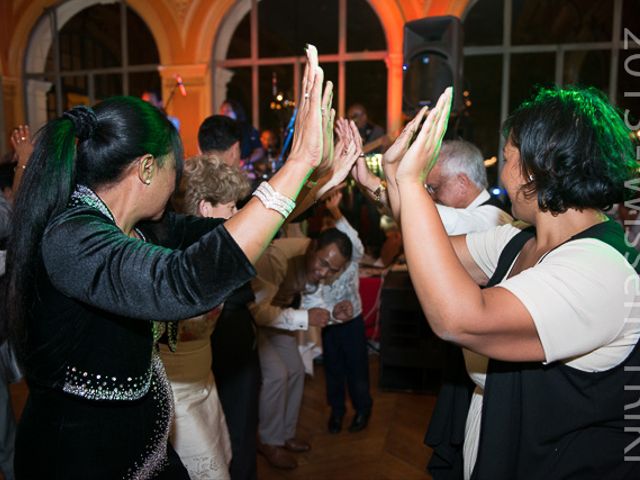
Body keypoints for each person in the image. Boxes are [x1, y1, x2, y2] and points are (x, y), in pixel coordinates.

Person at [5, 44, 329, 479]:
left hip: (141, 448)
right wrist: (297, 162)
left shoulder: (138, 225)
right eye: (174, 168)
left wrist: (310, 176)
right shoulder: (72, 236)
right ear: (145, 169)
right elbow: (180, 284)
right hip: (81, 459)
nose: (178, 181)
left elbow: (227, 234)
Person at [390, 86, 640, 479]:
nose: (501, 173)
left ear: (538, 168)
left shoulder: (599, 270)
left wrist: (411, 182)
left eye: (506, 158)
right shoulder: (521, 238)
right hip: (497, 438)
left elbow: (458, 319)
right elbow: (430, 248)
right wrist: (393, 177)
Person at [158, 154, 252, 480]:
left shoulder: (216, 255)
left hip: (205, 381)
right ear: (206, 209)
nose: (238, 214)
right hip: (176, 395)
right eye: (232, 206)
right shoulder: (174, 262)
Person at [251, 228, 354, 470]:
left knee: (296, 370)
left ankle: (285, 434)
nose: (323, 272)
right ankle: (268, 441)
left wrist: (334, 313)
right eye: (322, 263)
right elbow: (258, 311)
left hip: (283, 316)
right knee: (277, 374)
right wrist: (305, 317)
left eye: (332, 270)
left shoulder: (322, 264)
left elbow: (312, 300)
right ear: (314, 245)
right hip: (251, 320)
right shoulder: (277, 257)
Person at [301, 189, 373, 435]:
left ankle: (363, 409)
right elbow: (313, 303)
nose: (328, 270)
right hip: (330, 326)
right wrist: (333, 313)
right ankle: (337, 412)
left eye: (335, 267)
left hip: (354, 323)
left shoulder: (353, 256)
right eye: (325, 264)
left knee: (358, 370)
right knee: (333, 371)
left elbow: (352, 237)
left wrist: (335, 210)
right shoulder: (315, 267)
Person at [219, 100, 264, 166]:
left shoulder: (248, 129)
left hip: (244, 169)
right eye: (222, 111)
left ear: (236, 112)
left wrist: (246, 161)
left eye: (228, 111)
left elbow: (259, 151)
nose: (224, 114)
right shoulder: (219, 130)